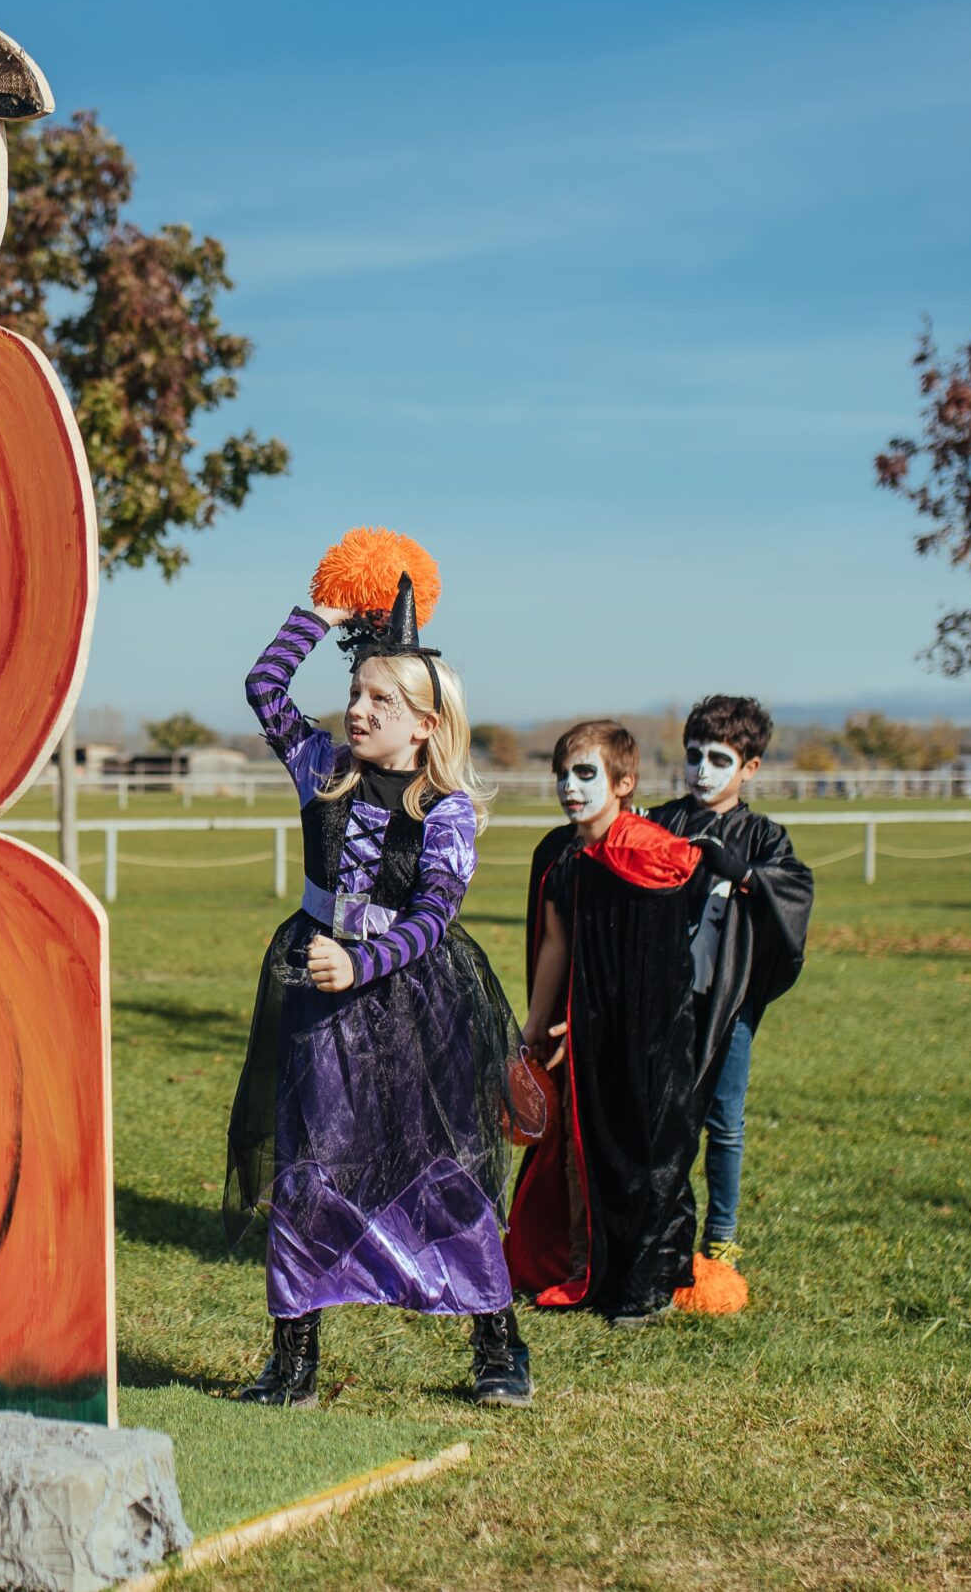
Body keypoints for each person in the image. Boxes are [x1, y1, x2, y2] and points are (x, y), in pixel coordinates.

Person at [224, 564, 533, 1409]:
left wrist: (360, 962)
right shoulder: (320, 765)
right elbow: (263, 685)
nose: (357, 711)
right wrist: (319, 614)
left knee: (440, 1167)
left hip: (413, 1003)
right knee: (308, 1167)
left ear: (427, 725)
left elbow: (434, 913)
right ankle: (293, 1361)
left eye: (380, 701)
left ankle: (497, 1342)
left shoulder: (446, 810)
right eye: (354, 693)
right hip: (316, 998)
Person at [504, 720, 707, 1325]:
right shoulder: (559, 854)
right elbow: (556, 944)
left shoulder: (648, 854)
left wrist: (595, 1023)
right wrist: (535, 1027)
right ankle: (582, 1264)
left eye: (586, 773)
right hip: (579, 1035)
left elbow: (657, 970)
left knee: (641, 1148)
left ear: (623, 782)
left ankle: (646, 1279)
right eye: (562, 774)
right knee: (577, 1148)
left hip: (643, 1040)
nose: (570, 786)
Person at [651, 696, 814, 1273]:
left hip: (728, 1004)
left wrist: (744, 874)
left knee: (723, 1120)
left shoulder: (764, 836)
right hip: (662, 1002)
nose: (703, 771)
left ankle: (721, 1233)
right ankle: (655, 1221)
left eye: (719, 759)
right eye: (694, 755)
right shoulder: (659, 822)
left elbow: (792, 891)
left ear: (750, 768)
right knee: (658, 1113)